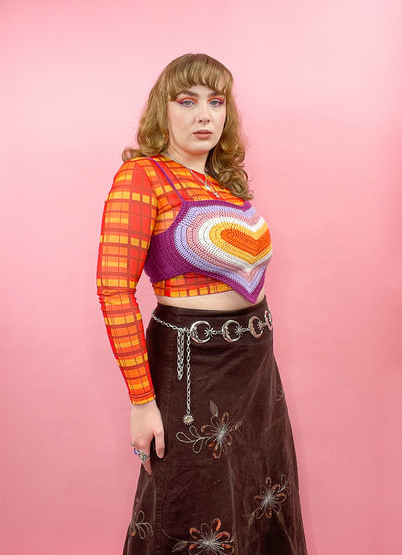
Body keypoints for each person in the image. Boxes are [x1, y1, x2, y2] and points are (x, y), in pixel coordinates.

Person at [97, 53, 307, 555]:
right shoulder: (143, 177)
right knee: (192, 509)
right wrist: (142, 401)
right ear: (162, 111)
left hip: (256, 370)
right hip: (193, 369)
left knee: (261, 496)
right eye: (187, 101)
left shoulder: (229, 189)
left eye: (216, 102)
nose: (204, 115)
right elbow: (113, 289)